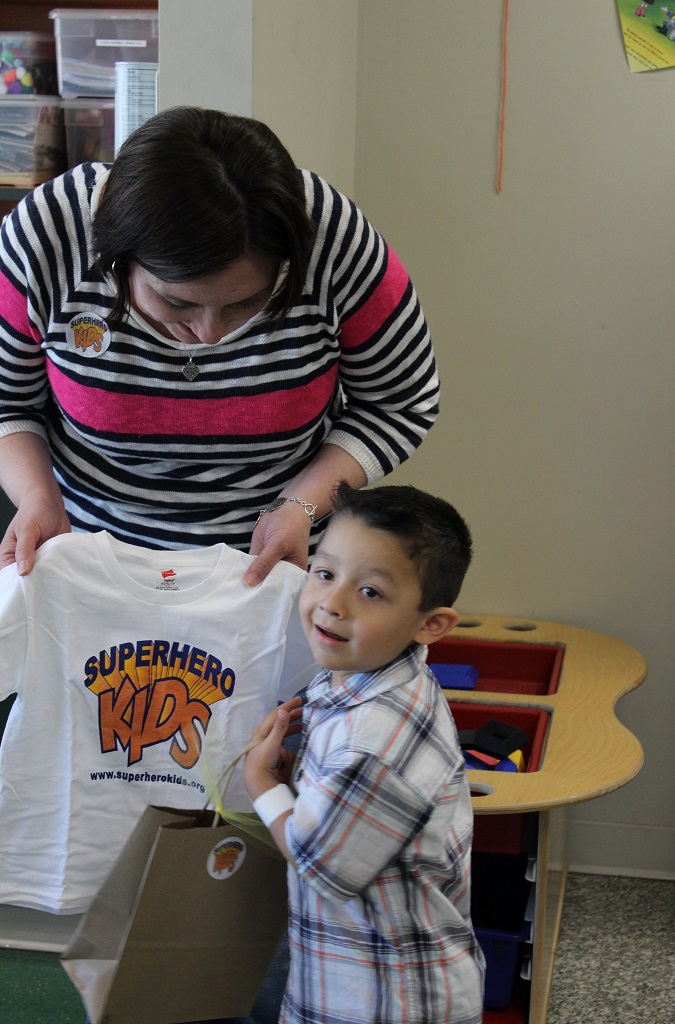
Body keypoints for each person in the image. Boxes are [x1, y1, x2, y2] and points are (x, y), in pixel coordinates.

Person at [0, 106, 439, 588]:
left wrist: (300, 505)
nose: (210, 335)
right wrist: (37, 497)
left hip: (277, 567)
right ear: (116, 259)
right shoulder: (48, 234)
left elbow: (401, 402)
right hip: (90, 561)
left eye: (246, 304)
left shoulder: (331, 238)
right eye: (176, 303)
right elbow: (7, 405)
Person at [243, 482, 485, 1024]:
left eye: (370, 592)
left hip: (383, 997)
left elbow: (320, 865)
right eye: (325, 574)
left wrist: (263, 786)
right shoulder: (375, 679)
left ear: (431, 624)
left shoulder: (372, 738)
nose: (332, 602)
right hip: (359, 972)